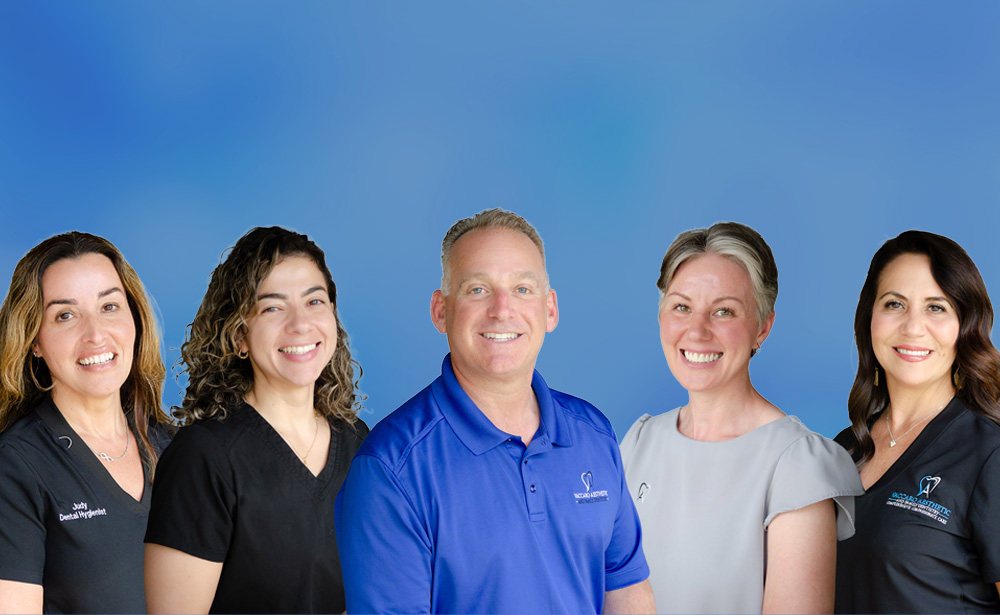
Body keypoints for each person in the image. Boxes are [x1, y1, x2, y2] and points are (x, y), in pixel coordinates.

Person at [336, 208, 654, 614]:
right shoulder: (390, 469)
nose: (502, 309)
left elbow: (627, 590)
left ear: (550, 309)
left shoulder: (594, 434)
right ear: (440, 311)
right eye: (477, 289)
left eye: (522, 289)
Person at [620, 221, 864, 614]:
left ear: (762, 327)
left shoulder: (798, 468)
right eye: (682, 306)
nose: (696, 331)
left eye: (724, 311)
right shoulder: (638, 443)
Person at [143, 226, 368, 614]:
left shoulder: (357, 442)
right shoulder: (202, 457)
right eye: (272, 307)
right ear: (238, 336)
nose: (300, 324)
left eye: (314, 302)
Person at [0, 232, 172, 614]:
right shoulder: (15, 468)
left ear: (135, 319)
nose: (95, 334)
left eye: (109, 306)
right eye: (65, 315)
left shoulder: (178, 450)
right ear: (34, 341)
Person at [834, 230, 1000, 613]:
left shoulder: (989, 455)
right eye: (894, 304)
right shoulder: (845, 448)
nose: (912, 327)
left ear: (965, 325)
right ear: (869, 318)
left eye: (936, 307)